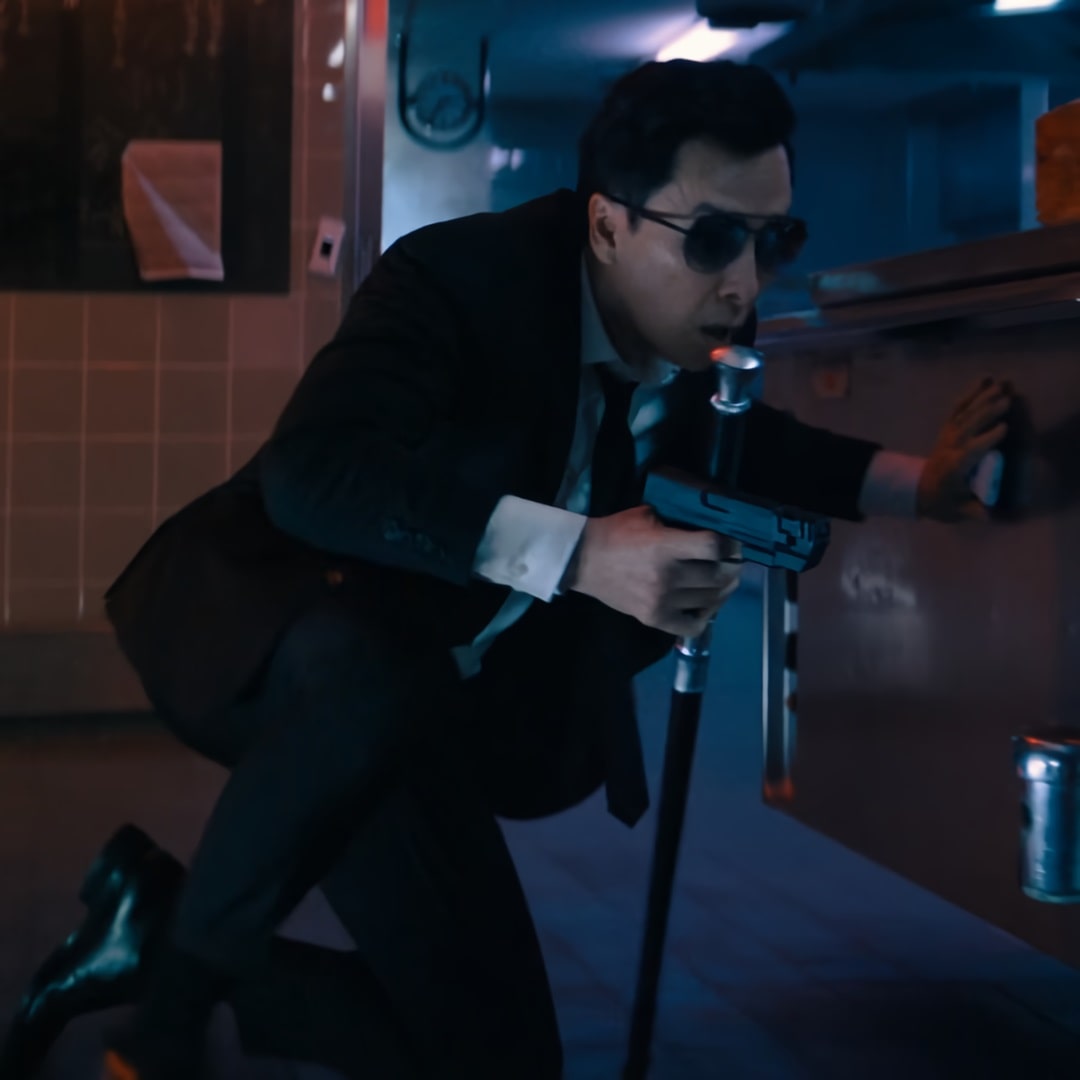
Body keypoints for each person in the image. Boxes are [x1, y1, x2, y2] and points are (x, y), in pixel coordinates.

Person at [0, 59, 1010, 1080]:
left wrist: (920, 483)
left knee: (502, 1057)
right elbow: (315, 471)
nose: (745, 282)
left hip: (421, 708)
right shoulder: (462, 278)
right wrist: (583, 554)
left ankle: (152, 934)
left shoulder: (678, 331)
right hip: (282, 649)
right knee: (371, 672)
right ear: (607, 225)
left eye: (772, 240)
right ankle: (166, 1017)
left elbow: (744, 439)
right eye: (711, 239)